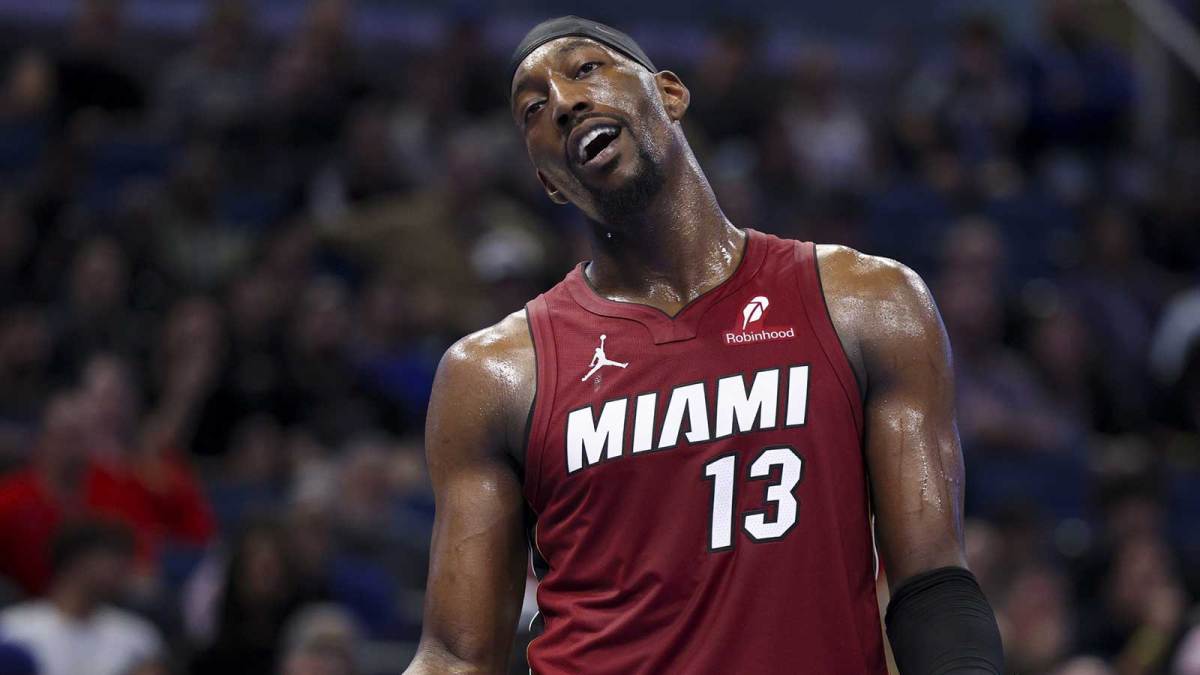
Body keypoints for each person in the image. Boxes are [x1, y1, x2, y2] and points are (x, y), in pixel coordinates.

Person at [405, 16, 1003, 674]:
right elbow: (456, 656)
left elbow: (932, 584)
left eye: (585, 71)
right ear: (548, 180)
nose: (566, 103)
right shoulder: (494, 374)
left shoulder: (871, 302)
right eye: (534, 110)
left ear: (670, 94)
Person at [0, 520, 163, 675]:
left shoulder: (136, 635)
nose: (121, 571)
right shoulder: (14, 628)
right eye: (111, 560)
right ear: (76, 562)